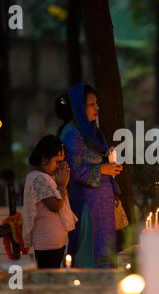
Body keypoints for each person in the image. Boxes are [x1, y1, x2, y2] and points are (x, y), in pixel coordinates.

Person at [56, 83, 123, 268]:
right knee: (89, 252)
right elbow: (74, 170)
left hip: (101, 205)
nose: (97, 108)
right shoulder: (72, 134)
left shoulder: (92, 132)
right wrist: (103, 169)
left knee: (104, 250)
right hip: (87, 205)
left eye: (97, 103)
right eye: (91, 104)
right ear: (78, 106)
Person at [22, 135, 78, 269]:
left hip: (53, 242)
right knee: (48, 278)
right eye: (57, 162)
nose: (59, 166)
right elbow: (55, 205)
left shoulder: (44, 177)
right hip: (47, 243)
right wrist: (62, 186)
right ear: (44, 159)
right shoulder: (38, 178)